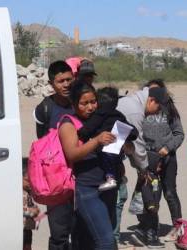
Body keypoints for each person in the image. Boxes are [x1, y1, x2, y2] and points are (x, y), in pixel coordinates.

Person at [58, 81, 118, 250]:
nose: (90, 107)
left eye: (93, 101)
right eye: (84, 103)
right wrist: (97, 140)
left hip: (108, 188)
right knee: (106, 242)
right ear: (74, 104)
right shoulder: (68, 124)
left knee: (92, 240)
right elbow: (72, 154)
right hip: (87, 189)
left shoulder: (102, 120)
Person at [117, 86, 169, 248]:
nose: (156, 112)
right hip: (104, 157)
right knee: (118, 196)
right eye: (157, 108)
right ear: (151, 100)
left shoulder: (133, 104)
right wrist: (144, 169)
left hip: (114, 155)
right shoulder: (135, 112)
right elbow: (137, 145)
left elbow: (130, 146)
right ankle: (110, 238)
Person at [33, 60, 74, 250]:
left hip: (82, 178)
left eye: (69, 79)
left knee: (83, 231)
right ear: (51, 84)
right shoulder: (44, 109)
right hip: (56, 181)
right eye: (60, 81)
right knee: (59, 235)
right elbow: (41, 144)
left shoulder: (81, 102)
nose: (66, 85)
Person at [142, 79, 184, 242]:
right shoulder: (142, 110)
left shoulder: (169, 109)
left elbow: (179, 134)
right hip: (147, 159)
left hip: (168, 158)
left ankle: (178, 227)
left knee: (169, 192)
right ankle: (151, 229)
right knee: (151, 195)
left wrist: (167, 149)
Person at [77, 87, 138, 191]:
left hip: (104, 150)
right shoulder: (118, 115)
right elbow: (133, 131)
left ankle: (110, 179)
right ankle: (115, 179)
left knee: (107, 163)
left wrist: (79, 134)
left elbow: (88, 129)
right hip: (117, 150)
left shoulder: (98, 115)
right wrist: (126, 136)